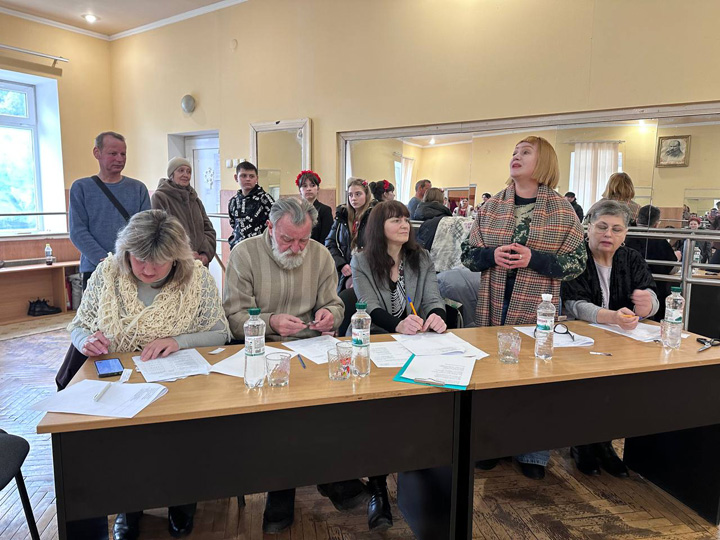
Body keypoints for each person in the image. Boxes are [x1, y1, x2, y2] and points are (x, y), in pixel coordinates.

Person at [66, 209, 231, 540]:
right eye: (139, 259)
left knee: (182, 438)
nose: (148, 270)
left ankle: (181, 503)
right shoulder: (107, 273)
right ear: (126, 251)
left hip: (179, 379)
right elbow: (79, 325)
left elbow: (220, 332)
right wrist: (86, 341)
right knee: (126, 445)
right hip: (122, 380)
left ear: (177, 257)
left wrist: (178, 341)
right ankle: (130, 509)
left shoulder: (197, 278)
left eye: (159, 262)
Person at [223, 198, 360, 534]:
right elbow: (234, 317)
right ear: (270, 228)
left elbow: (334, 304)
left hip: (310, 347)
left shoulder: (320, 255)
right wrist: (270, 322)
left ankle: (332, 474)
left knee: (336, 400)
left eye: (303, 240)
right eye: (287, 240)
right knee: (280, 412)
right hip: (263, 349)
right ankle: (281, 489)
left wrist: (330, 315)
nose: (297, 248)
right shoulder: (244, 254)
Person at [461, 136, 586, 479]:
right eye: (514, 152)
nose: (516, 156)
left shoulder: (563, 211)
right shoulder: (491, 207)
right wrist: (491, 255)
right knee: (491, 373)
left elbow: (576, 264)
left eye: (526, 152)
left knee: (533, 376)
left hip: (538, 307)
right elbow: (467, 255)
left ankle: (532, 450)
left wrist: (535, 259)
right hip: (493, 303)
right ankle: (489, 445)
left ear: (543, 162)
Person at [350, 200, 446, 531]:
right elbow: (367, 306)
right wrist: (398, 324)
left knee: (421, 407)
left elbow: (433, 299)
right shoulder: (362, 260)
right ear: (379, 227)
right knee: (377, 413)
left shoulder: (421, 257)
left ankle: (419, 476)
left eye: (406, 219)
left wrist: (437, 316)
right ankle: (377, 487)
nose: (405, 225)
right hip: (374, 342)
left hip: (416, 344)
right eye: (395, 220)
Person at [562, 200, 658, 478]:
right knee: (587, 389)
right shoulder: (576, 256)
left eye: (616, 229)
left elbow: (650, 295)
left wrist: (648, 305)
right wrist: (612, 316)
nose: (608, 234)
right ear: (588, 227)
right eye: (602, 227)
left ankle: (605, 444)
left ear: (625, 234)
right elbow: (574, 304)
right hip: (581, 340)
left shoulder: (632, 258)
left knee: (617, 392)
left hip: (623, 340)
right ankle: (581, 444)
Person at [69, 131, 150, 289]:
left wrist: (130, 261)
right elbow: (77, 231)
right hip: (96, 270)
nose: (119, 159)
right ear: (97, 153)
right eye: (113, 153)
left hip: (132, 269)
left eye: (123, 154)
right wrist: (106, 261)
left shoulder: (138, 188)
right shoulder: (81, 188)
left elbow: (146, 230)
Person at [151, 157, 216, 266]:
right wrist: (185, 255)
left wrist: (205, 255)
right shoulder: (160, 197)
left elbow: (208, 229)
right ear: (171, 174)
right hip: (175, 265)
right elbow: (161, 233)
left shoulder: (195, 200)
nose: (185, 175)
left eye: (188, 171)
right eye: (181, 170)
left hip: (199, 264)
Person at [625, 204, 678, 321]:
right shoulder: (660, 241)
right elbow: (672, 269)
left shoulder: (625, 237)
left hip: (628, 295)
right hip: (656, 292)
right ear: (656, 224)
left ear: (637, 220)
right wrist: (677, 258)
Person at [325, 178, 373, 291]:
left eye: (358, 194)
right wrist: (341, 264)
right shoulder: (342, 216)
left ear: (366, 195)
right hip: (345, 270)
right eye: (350, 195)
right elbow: (330, 243)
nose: (353, 198)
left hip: (368, 270)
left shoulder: (374, 216)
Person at [228, 160, 275, 249]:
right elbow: (233, 223)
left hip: (259, 247)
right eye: (243, 176)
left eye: (251, 176)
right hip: (238, 247)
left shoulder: (265, 199)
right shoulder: (233, 201)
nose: (248, 179)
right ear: (236, 177)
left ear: (256, 178)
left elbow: (274, 222)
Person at [296, 169, 332, 243]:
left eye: (312, 185)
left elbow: (327, 239)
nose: (308, 189)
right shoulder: (295, 210)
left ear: (318, 189)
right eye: (304, 186)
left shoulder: (325, 210)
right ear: (300, 190)